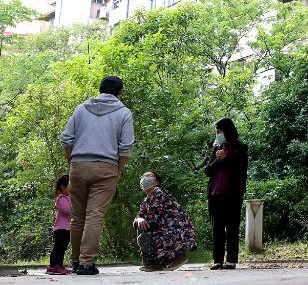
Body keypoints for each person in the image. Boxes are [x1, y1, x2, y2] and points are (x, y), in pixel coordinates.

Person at [59, 75, 135, 276]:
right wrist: (117, 171)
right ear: (120, 92)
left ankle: (76, 261)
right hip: (106, 167)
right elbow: (125, 147)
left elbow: (66, 139)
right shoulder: (124, 113)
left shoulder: (81, 109)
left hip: (78, 165)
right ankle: (86, 263)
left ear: (100, 89)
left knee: (77, 216)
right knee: (95, 215)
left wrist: (72, 164)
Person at [203, 117, 248, 270]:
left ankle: (231, 260)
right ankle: (217, 260)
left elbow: (241, 171)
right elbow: (207, 171)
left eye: (219, 131)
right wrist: (217, 159)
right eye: (217, 132)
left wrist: (226, 159)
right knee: (217, 228)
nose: (218, 134)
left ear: (227, 131)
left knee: (232, 227)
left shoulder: (240, 148)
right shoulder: (217, 148)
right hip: (215, 194)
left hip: (232, 194)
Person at [134, 171, 196, 272]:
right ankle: (156, 263)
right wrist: (139, 219)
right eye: (144, 176)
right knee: (140, 225)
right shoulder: (146, 200)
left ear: (157, 182)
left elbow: (152, 219)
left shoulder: (158, 193)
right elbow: (140, 216)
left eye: (149, 176)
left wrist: (141, 220)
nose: (145, 178)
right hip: (166, 230)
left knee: (144, 236)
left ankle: (177, 256)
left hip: (176, 232)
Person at [46, 175, 71, 275]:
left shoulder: (68, 198)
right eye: (70, 186)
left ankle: (59, 265)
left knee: (63, 248)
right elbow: (68, 210)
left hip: (67, 228)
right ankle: (53, 266)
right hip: (61, 228)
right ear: (62, 187)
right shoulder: (61, 199)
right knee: (58, 248)